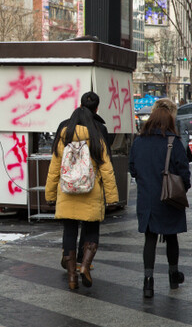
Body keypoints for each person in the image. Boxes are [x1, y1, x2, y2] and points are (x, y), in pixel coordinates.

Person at [45, 106, 119, 290]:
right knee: (92, 231)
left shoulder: (63, 138)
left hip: (67, 193)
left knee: (69, 233)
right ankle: (84, 266)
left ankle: (71, 278)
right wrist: (112, 197)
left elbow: (54, 170)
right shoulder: (96, 139)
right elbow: (107, 170)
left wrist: (50, 195)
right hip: (90, 193)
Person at [129, 107, 191, 298]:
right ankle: (173, 276)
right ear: (170, 122)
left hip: (147, 199)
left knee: (150, 238)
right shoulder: (174, 142)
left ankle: (148, 282)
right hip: (169, 197)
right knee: (171, 237)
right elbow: (184, 172)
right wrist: (182, 189)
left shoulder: (138, 142)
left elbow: (133, 169)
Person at [53, 91, 113, 268]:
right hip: (91, 185)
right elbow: (106, 162)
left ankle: (69, 263)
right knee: (90, 225)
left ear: (79, 105)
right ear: (96, 108)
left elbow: (55, 160)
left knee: (69, 227)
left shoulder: (65, 127)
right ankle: (83, 261)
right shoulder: (99, 129)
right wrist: (110, 195)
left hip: (67, 186)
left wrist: (50, 193)